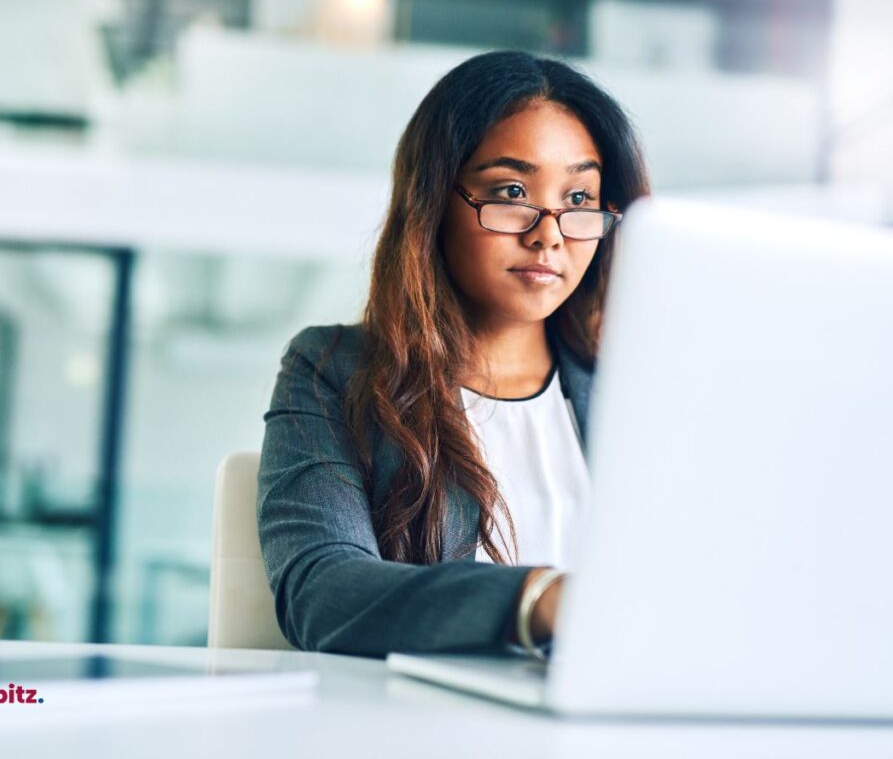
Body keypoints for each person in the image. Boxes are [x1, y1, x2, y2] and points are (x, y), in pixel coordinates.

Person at [257, 50, 650, 659]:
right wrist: (539, 599)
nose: (548, 233)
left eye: (579, 199)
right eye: (512, 190)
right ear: (434, 199)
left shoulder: (638, 386)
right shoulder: (333, 369)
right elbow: (320, 590)